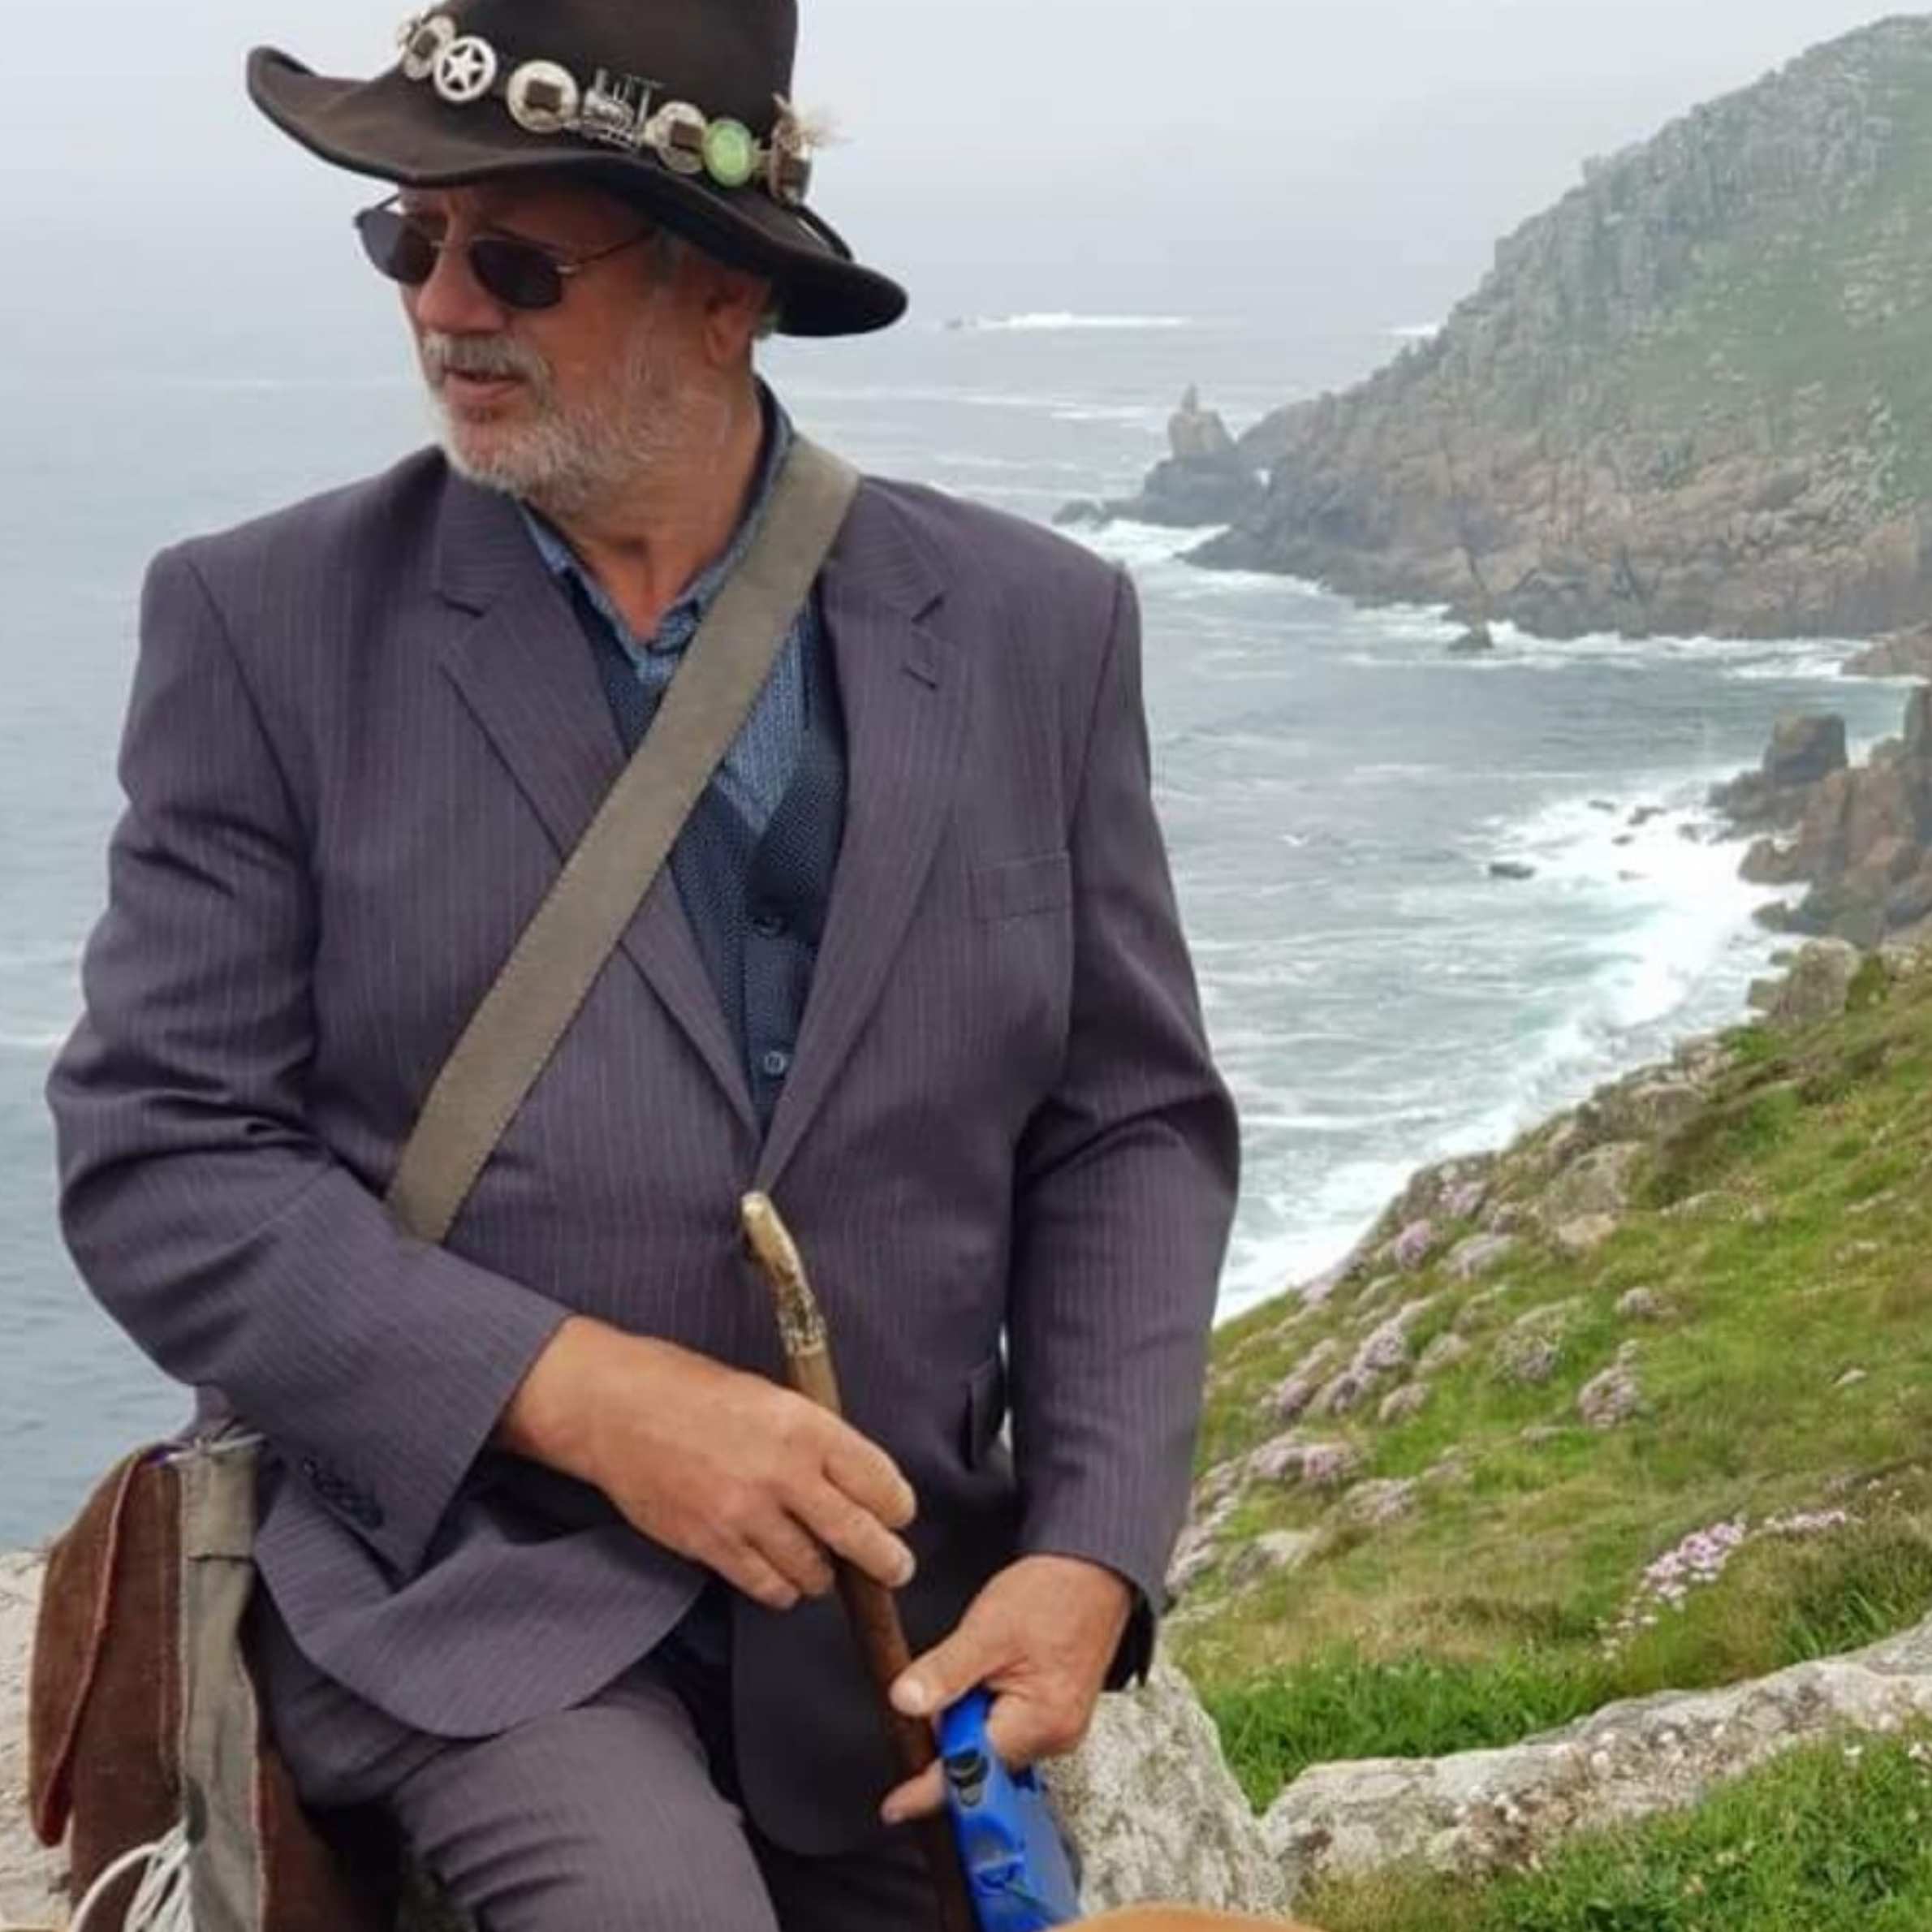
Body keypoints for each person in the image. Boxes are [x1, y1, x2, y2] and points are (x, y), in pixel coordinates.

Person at [45, 1, 1240, 1926]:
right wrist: (582, 1392)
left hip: (889, 1631)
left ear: (722, 296)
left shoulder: (1037, 630)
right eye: (406, 242)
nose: (441, 303)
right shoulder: (259, 626)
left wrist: (1092, 1545)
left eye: (512, 254)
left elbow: (1124, 1126)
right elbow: (160, 1152)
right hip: (474, 1602)